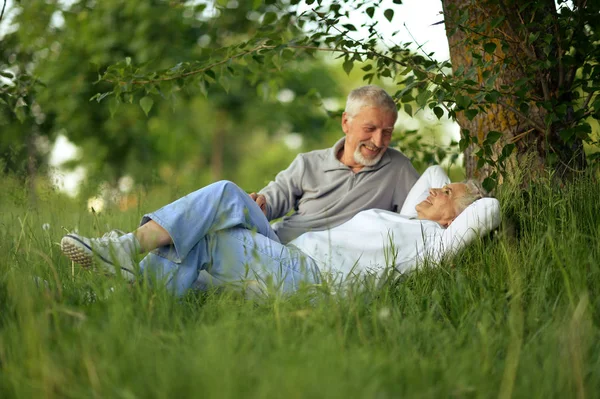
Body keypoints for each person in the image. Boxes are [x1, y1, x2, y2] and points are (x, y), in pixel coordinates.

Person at [60, 166, 501, 296]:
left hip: (314, 278)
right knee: (224, 198)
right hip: (290, 254)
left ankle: (119, 264)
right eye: (441, 189)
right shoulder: (407, 220)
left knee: (209, 229)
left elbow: (487, 211)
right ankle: (120, 282)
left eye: (446, 194)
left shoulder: (432, 243)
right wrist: (446, 194)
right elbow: (432, 173)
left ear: (453, 219)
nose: (436, 189)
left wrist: (466, 208)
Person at [248, 85, 419, 243]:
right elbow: (272, 199)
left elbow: (423, 218)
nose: (378, 141)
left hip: (327, 260)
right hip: (278, 244)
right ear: (346, 123)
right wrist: (261, 205)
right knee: (226, 192)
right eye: (369, 129)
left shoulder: (398, 169)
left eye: (387, 132)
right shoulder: (308, 163)